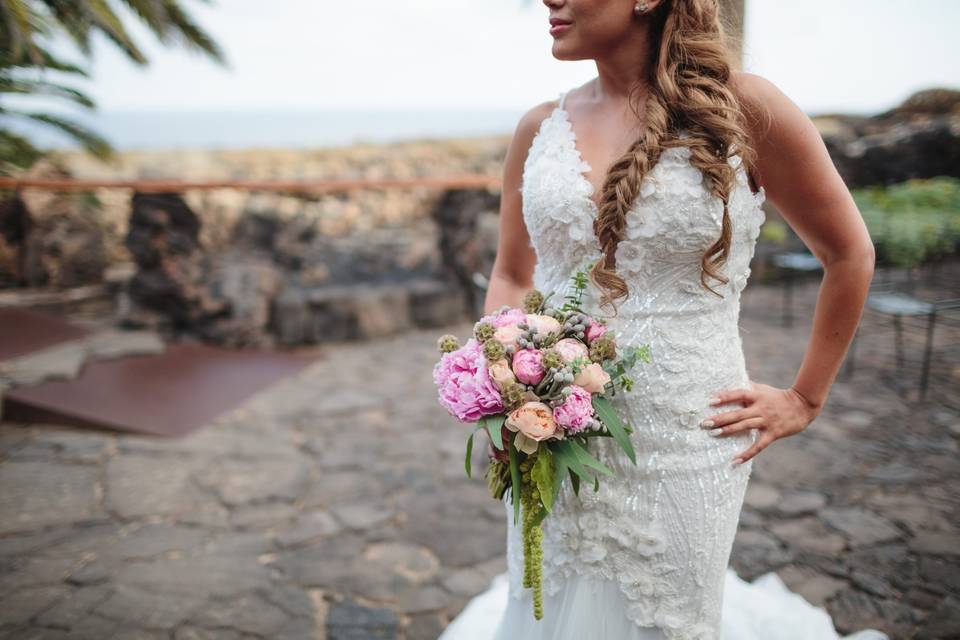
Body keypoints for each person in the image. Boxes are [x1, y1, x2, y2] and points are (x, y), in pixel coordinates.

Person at [438, 0, 887, 639]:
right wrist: (504, 386)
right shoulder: (538, 127)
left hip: (688, 438)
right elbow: (513, 273)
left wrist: (805, 397)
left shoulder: (747, 108)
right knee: (550, 599)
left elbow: (848, 252)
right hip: (555, 432)